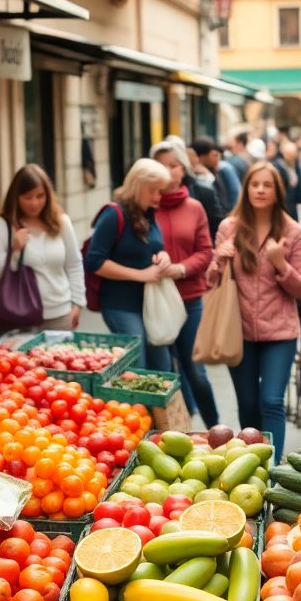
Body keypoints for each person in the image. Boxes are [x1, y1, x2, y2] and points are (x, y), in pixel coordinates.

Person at [209, 162, 301, 458]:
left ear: (277, 191)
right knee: (249, 404)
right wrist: (219, 260)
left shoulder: (291, 231)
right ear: (246, 189)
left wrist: (281, 264)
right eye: (255, 185)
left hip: (279, 331)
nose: (261, 190)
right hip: (237, 331)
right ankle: (252, 461)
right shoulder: (229, 228)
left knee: (270, 401)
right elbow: (210, 282)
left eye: (267, 185)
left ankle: (273, 471)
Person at [85, 158, 175, 372]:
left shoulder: (148, 212)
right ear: (138, 185)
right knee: (136, 368)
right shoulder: (113, 214)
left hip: (148, 304)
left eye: (160, 191)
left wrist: (163, 256)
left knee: (163, 368)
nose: (158, 197)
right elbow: (94, 262)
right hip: (120, 304)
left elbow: (153, 246)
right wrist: (140, 274)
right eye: (153, 190)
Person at [154, 164, 220, 429]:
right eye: (162, 164)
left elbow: (206, 251)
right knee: (166, 372)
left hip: (190, 298)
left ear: (183, 168)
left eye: (174, 164)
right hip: (155, 301)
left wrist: (180, 269)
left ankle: (215, 426)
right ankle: (181, 428)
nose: (168, 171)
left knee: (195, 370)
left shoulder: (194, 207)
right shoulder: (146, 208)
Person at [0, 164, 86, 330]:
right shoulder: (1, 224)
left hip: (60, 315)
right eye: (27, 197)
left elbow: (74, 264)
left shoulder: (61, 222)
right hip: (17, 318)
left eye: (40, 196)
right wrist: (14, 251)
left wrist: (78, 303)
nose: (34, 203)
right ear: (15, 197)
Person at [153, 139, 225, 240]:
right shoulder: (145, 198)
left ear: (183, 169)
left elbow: (215, 234)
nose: (166, 170)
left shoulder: (202, 193)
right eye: (161, 165)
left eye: (173, 166)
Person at [193, 137, 241, 210]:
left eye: (219, 155)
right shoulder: (198, 178)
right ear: (202, 158)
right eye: (214, 156)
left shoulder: (220, 171)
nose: (218, 159)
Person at [272, 140, 301, 219]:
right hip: (284, 202)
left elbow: (300, 182)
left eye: (293, 154)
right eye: (290, 154)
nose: (292, 157)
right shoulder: (278, 165)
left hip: (293, 201)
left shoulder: (295, 163)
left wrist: (300, 200)